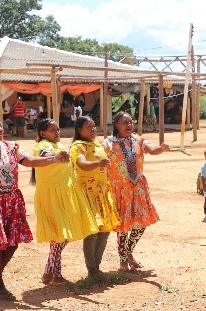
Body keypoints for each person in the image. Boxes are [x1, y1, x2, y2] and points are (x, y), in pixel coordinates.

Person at [0, 116, 68, 298]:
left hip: (10, 200)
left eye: (1, 127)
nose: (0, 130)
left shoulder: (10, 147)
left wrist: (54, 158)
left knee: (12, 242)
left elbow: (29, 161)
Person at [32, 118, 98, 285]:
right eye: (52, 130)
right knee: (59, 234)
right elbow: (43, 155)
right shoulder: (42, 146)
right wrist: (55, 157)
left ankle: (50, 270)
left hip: (66, 193)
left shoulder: (60, 146)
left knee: (65, 233)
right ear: (43, 133)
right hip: (52, 195)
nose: (57, 133)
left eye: (58, 129)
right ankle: (54, 273)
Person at [103, 112, 170, 272]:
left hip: (138, 188)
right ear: (116, 125)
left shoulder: (138, 140)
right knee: (123, 226)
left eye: (130, 122)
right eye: (125, 123)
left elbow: (152, 150)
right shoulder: (107, 144)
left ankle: (129, 251)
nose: (129, 126)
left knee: (141, 223)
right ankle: (123, 260)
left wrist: (161, 148)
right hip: (120, 189)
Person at [71, 115, 120, 280]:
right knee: (92, 231)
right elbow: (81, 164)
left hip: (102, 192)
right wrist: (97, 164)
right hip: (87, 193)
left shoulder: (97, 144)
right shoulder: (78, 146)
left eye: (94, 126)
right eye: (89, 127)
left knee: (105, 229)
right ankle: (91, 268)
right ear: (79, 130)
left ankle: (96, 267)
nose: (93, 130)